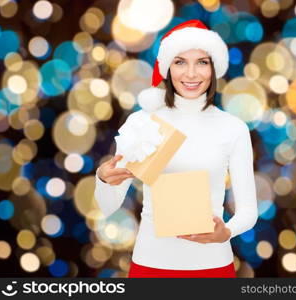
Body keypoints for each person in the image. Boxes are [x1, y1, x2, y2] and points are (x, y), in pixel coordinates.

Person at [94, 19, 258, 278]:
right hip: (150, 267)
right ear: (167, 67)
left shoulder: (233, 128)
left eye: (202, 62)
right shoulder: (143, 122)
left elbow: (249, 210)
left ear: (214, 67)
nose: (191, 74)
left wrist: (226, 231)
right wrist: (104, 179)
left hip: (212, 267)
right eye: (180, 62)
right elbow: (107, 206)